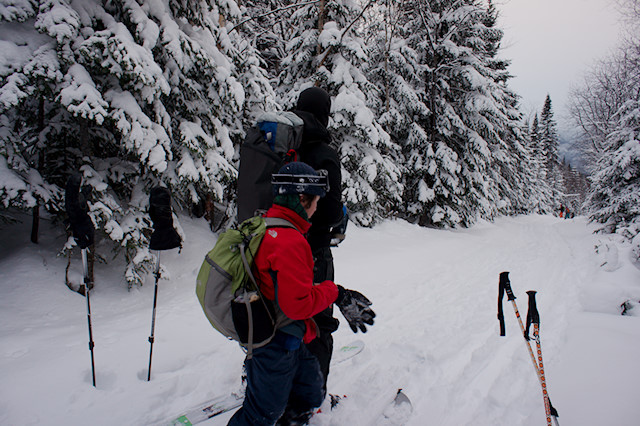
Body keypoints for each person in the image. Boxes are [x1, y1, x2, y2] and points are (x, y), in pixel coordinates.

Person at [229, 162, 367, 426]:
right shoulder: (290, 241)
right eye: (315, 201)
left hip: (287, 336)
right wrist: (335, 292)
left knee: (310, 391)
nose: (316, 208)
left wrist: (335, 294)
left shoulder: (267, 225)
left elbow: (292, 292)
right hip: (275, 343)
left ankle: (293, 421)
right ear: (302, 199)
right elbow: (298, 306)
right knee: (261, 414)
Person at [292, 87, 370, 397]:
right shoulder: (322, 152)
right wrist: (338, 217)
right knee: (318, 322)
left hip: (269, 245)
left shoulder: (280, 142)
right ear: (324, 115)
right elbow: (329, 211)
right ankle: (312, 398)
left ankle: (270, 382)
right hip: (311, 251)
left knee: (276, 317)